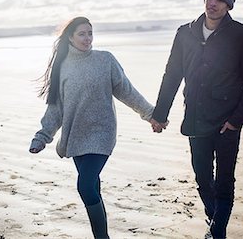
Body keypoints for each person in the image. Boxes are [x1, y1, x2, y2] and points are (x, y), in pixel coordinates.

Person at [150, 0, 243, 239]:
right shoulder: (184, 33)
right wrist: (160, 114)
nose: (213, 3)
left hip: (227, 122)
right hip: (196, 118)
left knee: (224, 181)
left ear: (229, 5)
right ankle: (215, 220)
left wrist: (237, 120)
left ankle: (217, 232)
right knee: (202, 177)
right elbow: (172, 75)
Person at [29, 16, 154, 239]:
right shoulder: (63, 68)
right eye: (82, 34)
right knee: (93, 187)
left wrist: (151, 114)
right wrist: (42, 136)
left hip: (102, 133)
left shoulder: (105, 60)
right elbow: (56, 108)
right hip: (76, 136)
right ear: (70, 37)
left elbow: (127, 91)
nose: (87, 39)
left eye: (90, 33)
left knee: (85, 186)